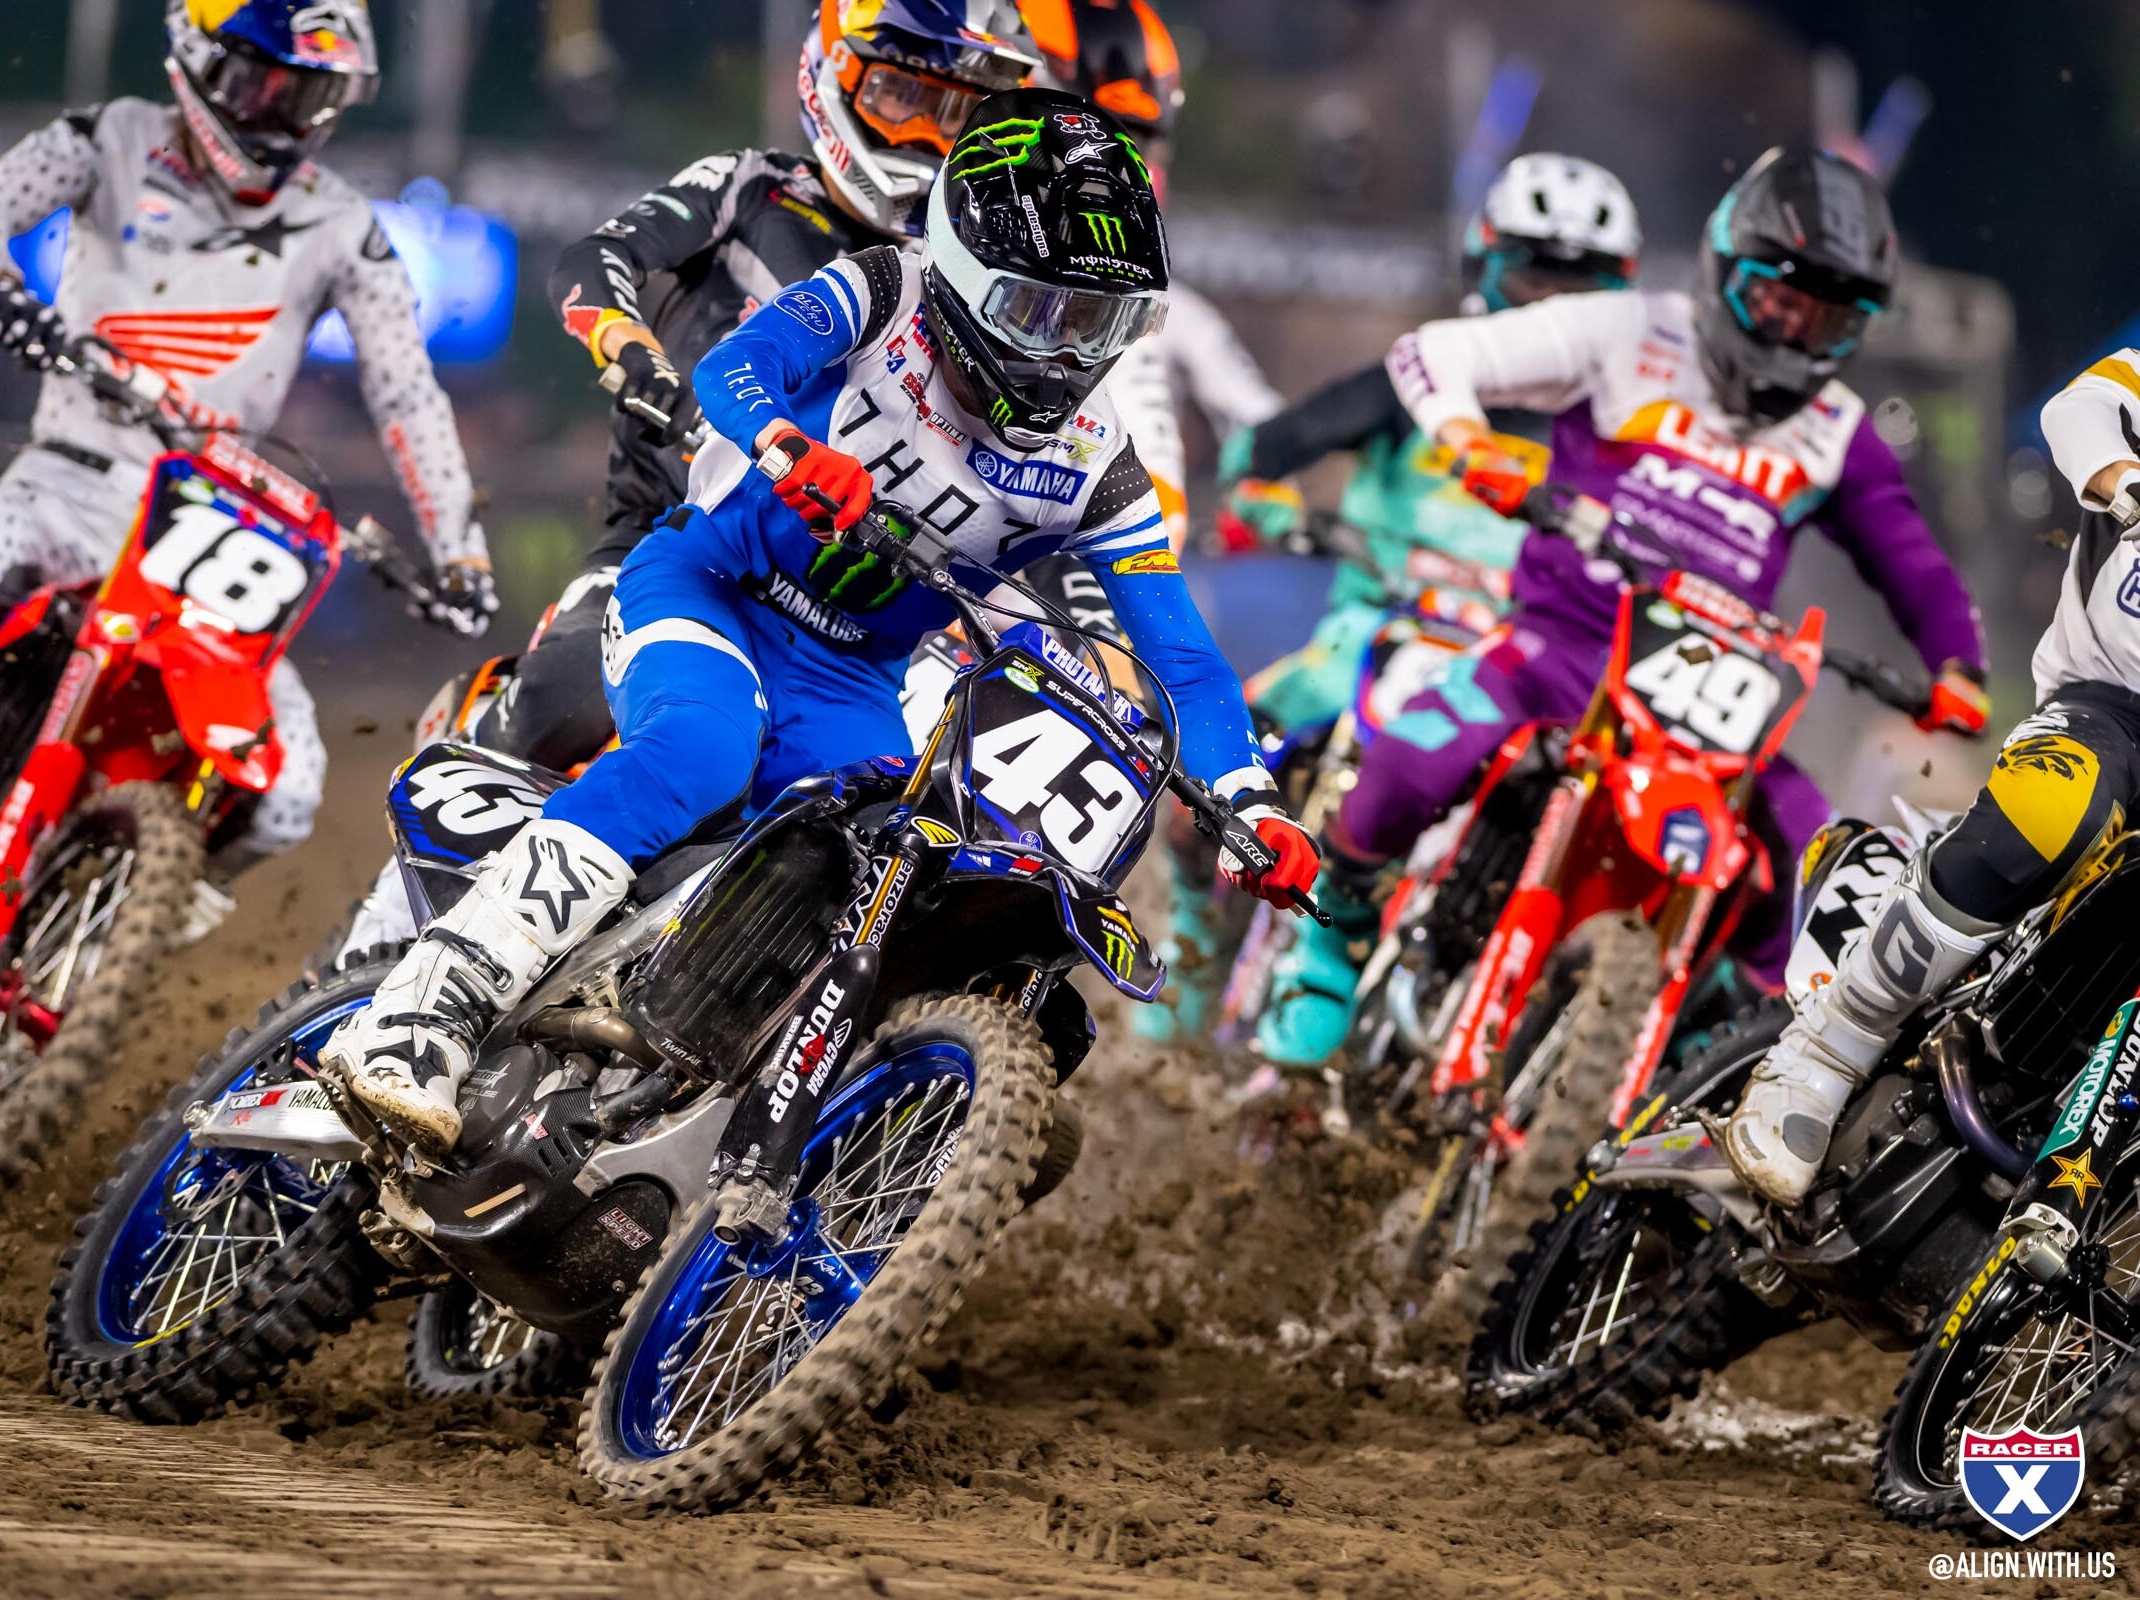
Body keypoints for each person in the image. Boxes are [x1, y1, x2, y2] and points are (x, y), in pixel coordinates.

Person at [322, 89, 1322, 1153]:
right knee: (700, 751)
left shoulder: (1099, 464)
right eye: (1043, 312)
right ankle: (424, 1009)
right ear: (963, 268)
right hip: (713, 587)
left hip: (850, 681)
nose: (1069, 355)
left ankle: (726, 1123)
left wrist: (1255, 805)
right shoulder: (886, 289)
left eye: (1101, 323)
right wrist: (789, 448)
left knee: (891, 871)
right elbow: (734, 368)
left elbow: (1182, 660)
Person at [0, 0, 490, 920]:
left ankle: (99, 941)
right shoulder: (111, 138)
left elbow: (408, 393)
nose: (279, 118)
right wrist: (1, 287)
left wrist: (461, 553)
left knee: (291, 785)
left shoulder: (341, 222)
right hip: (71, 477)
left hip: (205, 527)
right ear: (196, 60)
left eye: (307, 96)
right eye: (259, 84)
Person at [1328, 147, 1988, 1058]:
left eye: (1828, 315)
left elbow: (1909, 558)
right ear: (1725, 264)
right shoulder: (1625, 329)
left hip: (1715, 703)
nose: (1794, 332)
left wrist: (1960, 665)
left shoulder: (1839, 432)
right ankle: (1328, 944)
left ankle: (1722, 1074)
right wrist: (1469, 440)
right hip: (1563, 649)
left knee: (1817, 877)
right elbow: (1430, 352)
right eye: (1778, 298)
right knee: (1408, 764)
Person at [480, 0, 1040, 770]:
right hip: (674, 535)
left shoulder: (962, 277)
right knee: (564, 700)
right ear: (832, 75)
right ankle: (459, 768)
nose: (920, 132)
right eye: (901, 95)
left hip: (847, 592)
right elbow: (593, 260)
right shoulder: (752, 186)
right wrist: (639, 359)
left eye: (953, 113)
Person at [1198, 153, 1641, 1063]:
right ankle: (1182, 978)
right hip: (1368, 633)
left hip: (1521, 665)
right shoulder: (1424, 381)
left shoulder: (1621, 437)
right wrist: (1270, 507)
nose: (1551, 308)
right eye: (1535, 276)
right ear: (1485, 263)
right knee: (1207, 762)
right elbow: (1261, 451)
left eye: (1580, 290)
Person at [1724, 355, 2140, 1203]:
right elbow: (2081, 406)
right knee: (2052, 806)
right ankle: (1827, 1050)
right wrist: (2123, 478)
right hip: (2112, 706)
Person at [1013, 0, 1286, 1045]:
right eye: (1102, 127)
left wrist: (1266, 490)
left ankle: (1176, 1008)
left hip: (1128, 558)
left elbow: (1264, 426)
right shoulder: (947, 254)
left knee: (1179, 758)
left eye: (1141, 137)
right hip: (1007, 540)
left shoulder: (1179, 310)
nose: (1124, 159)